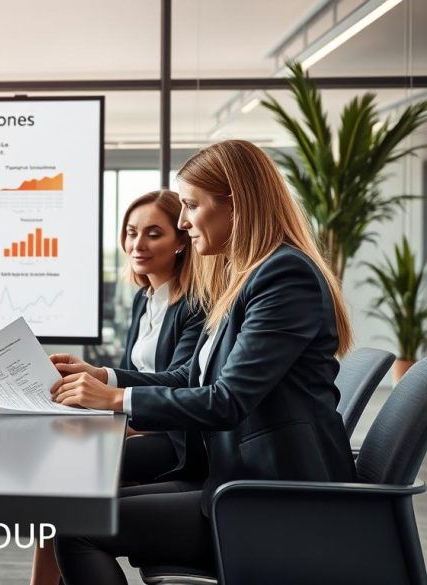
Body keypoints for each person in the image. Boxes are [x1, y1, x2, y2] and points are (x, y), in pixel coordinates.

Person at [49, 140, 356, 585]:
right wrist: (105, 377)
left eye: (191, 205)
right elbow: (190, 377)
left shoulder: (284, 276)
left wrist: (116, 398)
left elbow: (227, 402)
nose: (182, 220)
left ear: (236, 205)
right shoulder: (247, 275)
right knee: (77, 510)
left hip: (273, 500)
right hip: (233, 480)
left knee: (77, 530)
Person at [30, 190, 205, 585]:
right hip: (142, 422)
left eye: (153, 233)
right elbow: (136, 373)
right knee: (62, 479)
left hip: (176, 439)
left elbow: (183, 381)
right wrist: (98, 377)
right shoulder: (146, 299)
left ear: (181, 241)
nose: (137, 245)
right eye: (131, 233)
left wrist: (110, 391)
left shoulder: (195, 305)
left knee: (68, 485)